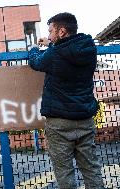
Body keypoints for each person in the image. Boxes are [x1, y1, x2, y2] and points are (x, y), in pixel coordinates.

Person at [28, 13, 104, 189]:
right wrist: (52, 45)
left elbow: (36, 62)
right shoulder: (88, 48)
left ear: (61, 31)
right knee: (91, 170)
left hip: (59, 123)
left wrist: (33, 48)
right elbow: (67, 50)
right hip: (85, 119)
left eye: (50, 32)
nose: (48, 36)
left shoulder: (54, 54)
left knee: (64, 173)